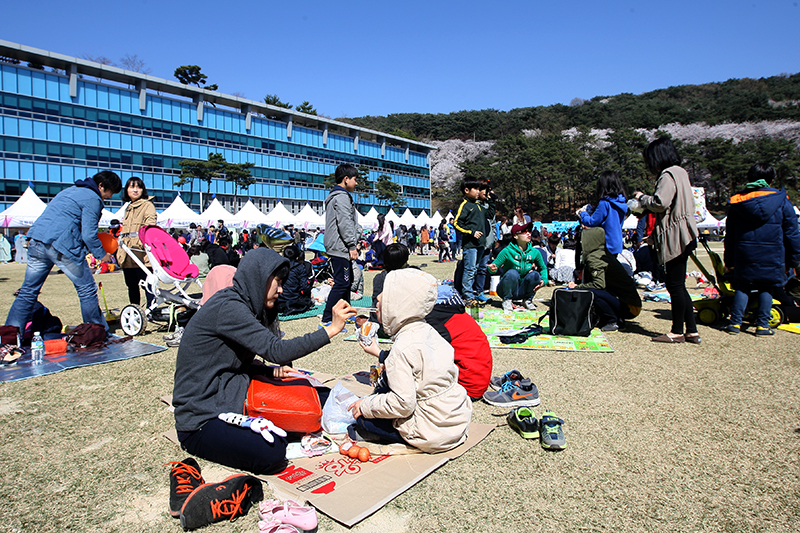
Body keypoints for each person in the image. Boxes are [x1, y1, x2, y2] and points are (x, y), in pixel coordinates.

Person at [172, 247, 356, 474]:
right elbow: (276, 351)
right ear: (258, 278)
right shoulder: (229, 307)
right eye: (277, 282)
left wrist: (267, 372)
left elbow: (229, 361)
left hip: (234, 393)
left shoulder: (245, 305)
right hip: (203, 418)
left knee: (321, 397)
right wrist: (330, 330)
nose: (280, 289)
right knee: (271, 450)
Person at [350, 269, 473, 452]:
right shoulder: (430, 331)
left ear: (396, 308)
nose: (376, 309)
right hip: (456, 420)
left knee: (362, 420)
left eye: (380, 304)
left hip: (430, 431)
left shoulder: (402, 347)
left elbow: (403, 404)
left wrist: (365, 405)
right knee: (383, 393)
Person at [5, 171, 122, 333]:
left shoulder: (70, 190)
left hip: (37, 240)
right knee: (87, 289)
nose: (109, 197)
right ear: (101, 186)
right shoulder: (93, 198)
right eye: (110, 192)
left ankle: (9, 337)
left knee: (28, 292)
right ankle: (97, 331)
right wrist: (102, 254)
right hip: (62, 244)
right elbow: (88, 234)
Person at [634, 137, 700, 344]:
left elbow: (660, 203)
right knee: (679, 285)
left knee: (675, 286)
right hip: (686, 234)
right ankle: (691, 330)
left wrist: (642, 198)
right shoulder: (681, 172)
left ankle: (677, 331)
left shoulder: (668, 174)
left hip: (676, 237)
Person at [723, 163, 800, 335]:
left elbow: (731, 234)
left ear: (749, 179)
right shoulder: (781, 200)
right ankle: (762, 325)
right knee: (767, 287)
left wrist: (729, 260)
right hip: (773, 253)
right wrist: (795, 256)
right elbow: (792, 232)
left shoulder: (738, 201)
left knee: (743, 286)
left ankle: (735, 323)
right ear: (771, 180)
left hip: (744, 251)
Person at [568, 227, 642, 331]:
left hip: (629, 307)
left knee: (591, 292)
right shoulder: (602, 253)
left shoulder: (595, 258)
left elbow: (598, 285)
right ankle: (612, 317)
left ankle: (612, 320)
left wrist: (578, 287)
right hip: (630, 303)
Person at [321, 164, 360, 325]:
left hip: (339, 245)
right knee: (342, 282)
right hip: (341, 246)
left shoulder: (337, 196)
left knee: (346, 282)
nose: (356, 183)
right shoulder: (341, 197)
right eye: (355, 179)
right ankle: (327, 318)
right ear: (346, 179)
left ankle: (344, 313)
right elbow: (345, 222)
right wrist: (351, 245)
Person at [116, 177, 157, 309]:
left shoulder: (148, 205)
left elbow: (150, 227)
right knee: (131, 285)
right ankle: (135, 310)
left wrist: (140, 243)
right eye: (131, 187)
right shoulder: (128, 207)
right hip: (127, 254)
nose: (135, 190)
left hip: (142, 255)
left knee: (148, 285)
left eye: (138, 187)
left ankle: (152, 310)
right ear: (126, 190)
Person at [488, 223, 548, 312]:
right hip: (506, 289)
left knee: (535, 275)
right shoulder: (507, 251)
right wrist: (492, 269)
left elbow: (543, 268)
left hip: (523, 289)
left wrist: (544, 280)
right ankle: (507, 300)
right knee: (512, 273)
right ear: (515, 236)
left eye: (529, 231)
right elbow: (494, 266)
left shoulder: (535, 252)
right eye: (524, 232)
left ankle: (527, 300)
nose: (528, 234)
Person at [453, 178, 490, 305]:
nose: (478, 191)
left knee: (474, 269)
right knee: (469, 269)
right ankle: (467, 295)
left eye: (479, 189)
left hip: (480, 243)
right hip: (470, 244)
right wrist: (471, 232)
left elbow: (490, 214)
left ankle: (471, 292)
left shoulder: (478, 205)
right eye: (475, 189)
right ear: (467, 190)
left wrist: (491, 199)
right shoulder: (464, 205)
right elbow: (456, 223)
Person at [578, 171, 628, 255]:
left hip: (605, 244)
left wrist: (583, 213)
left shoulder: (605, 203)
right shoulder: (622, 202)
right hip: (617, 243)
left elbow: (592, 222)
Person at [276, 245, 314, 315]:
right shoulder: (299, 267)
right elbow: (305, 286)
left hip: (279, 300)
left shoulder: (278, 266)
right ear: (297, 256)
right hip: (295, 299)